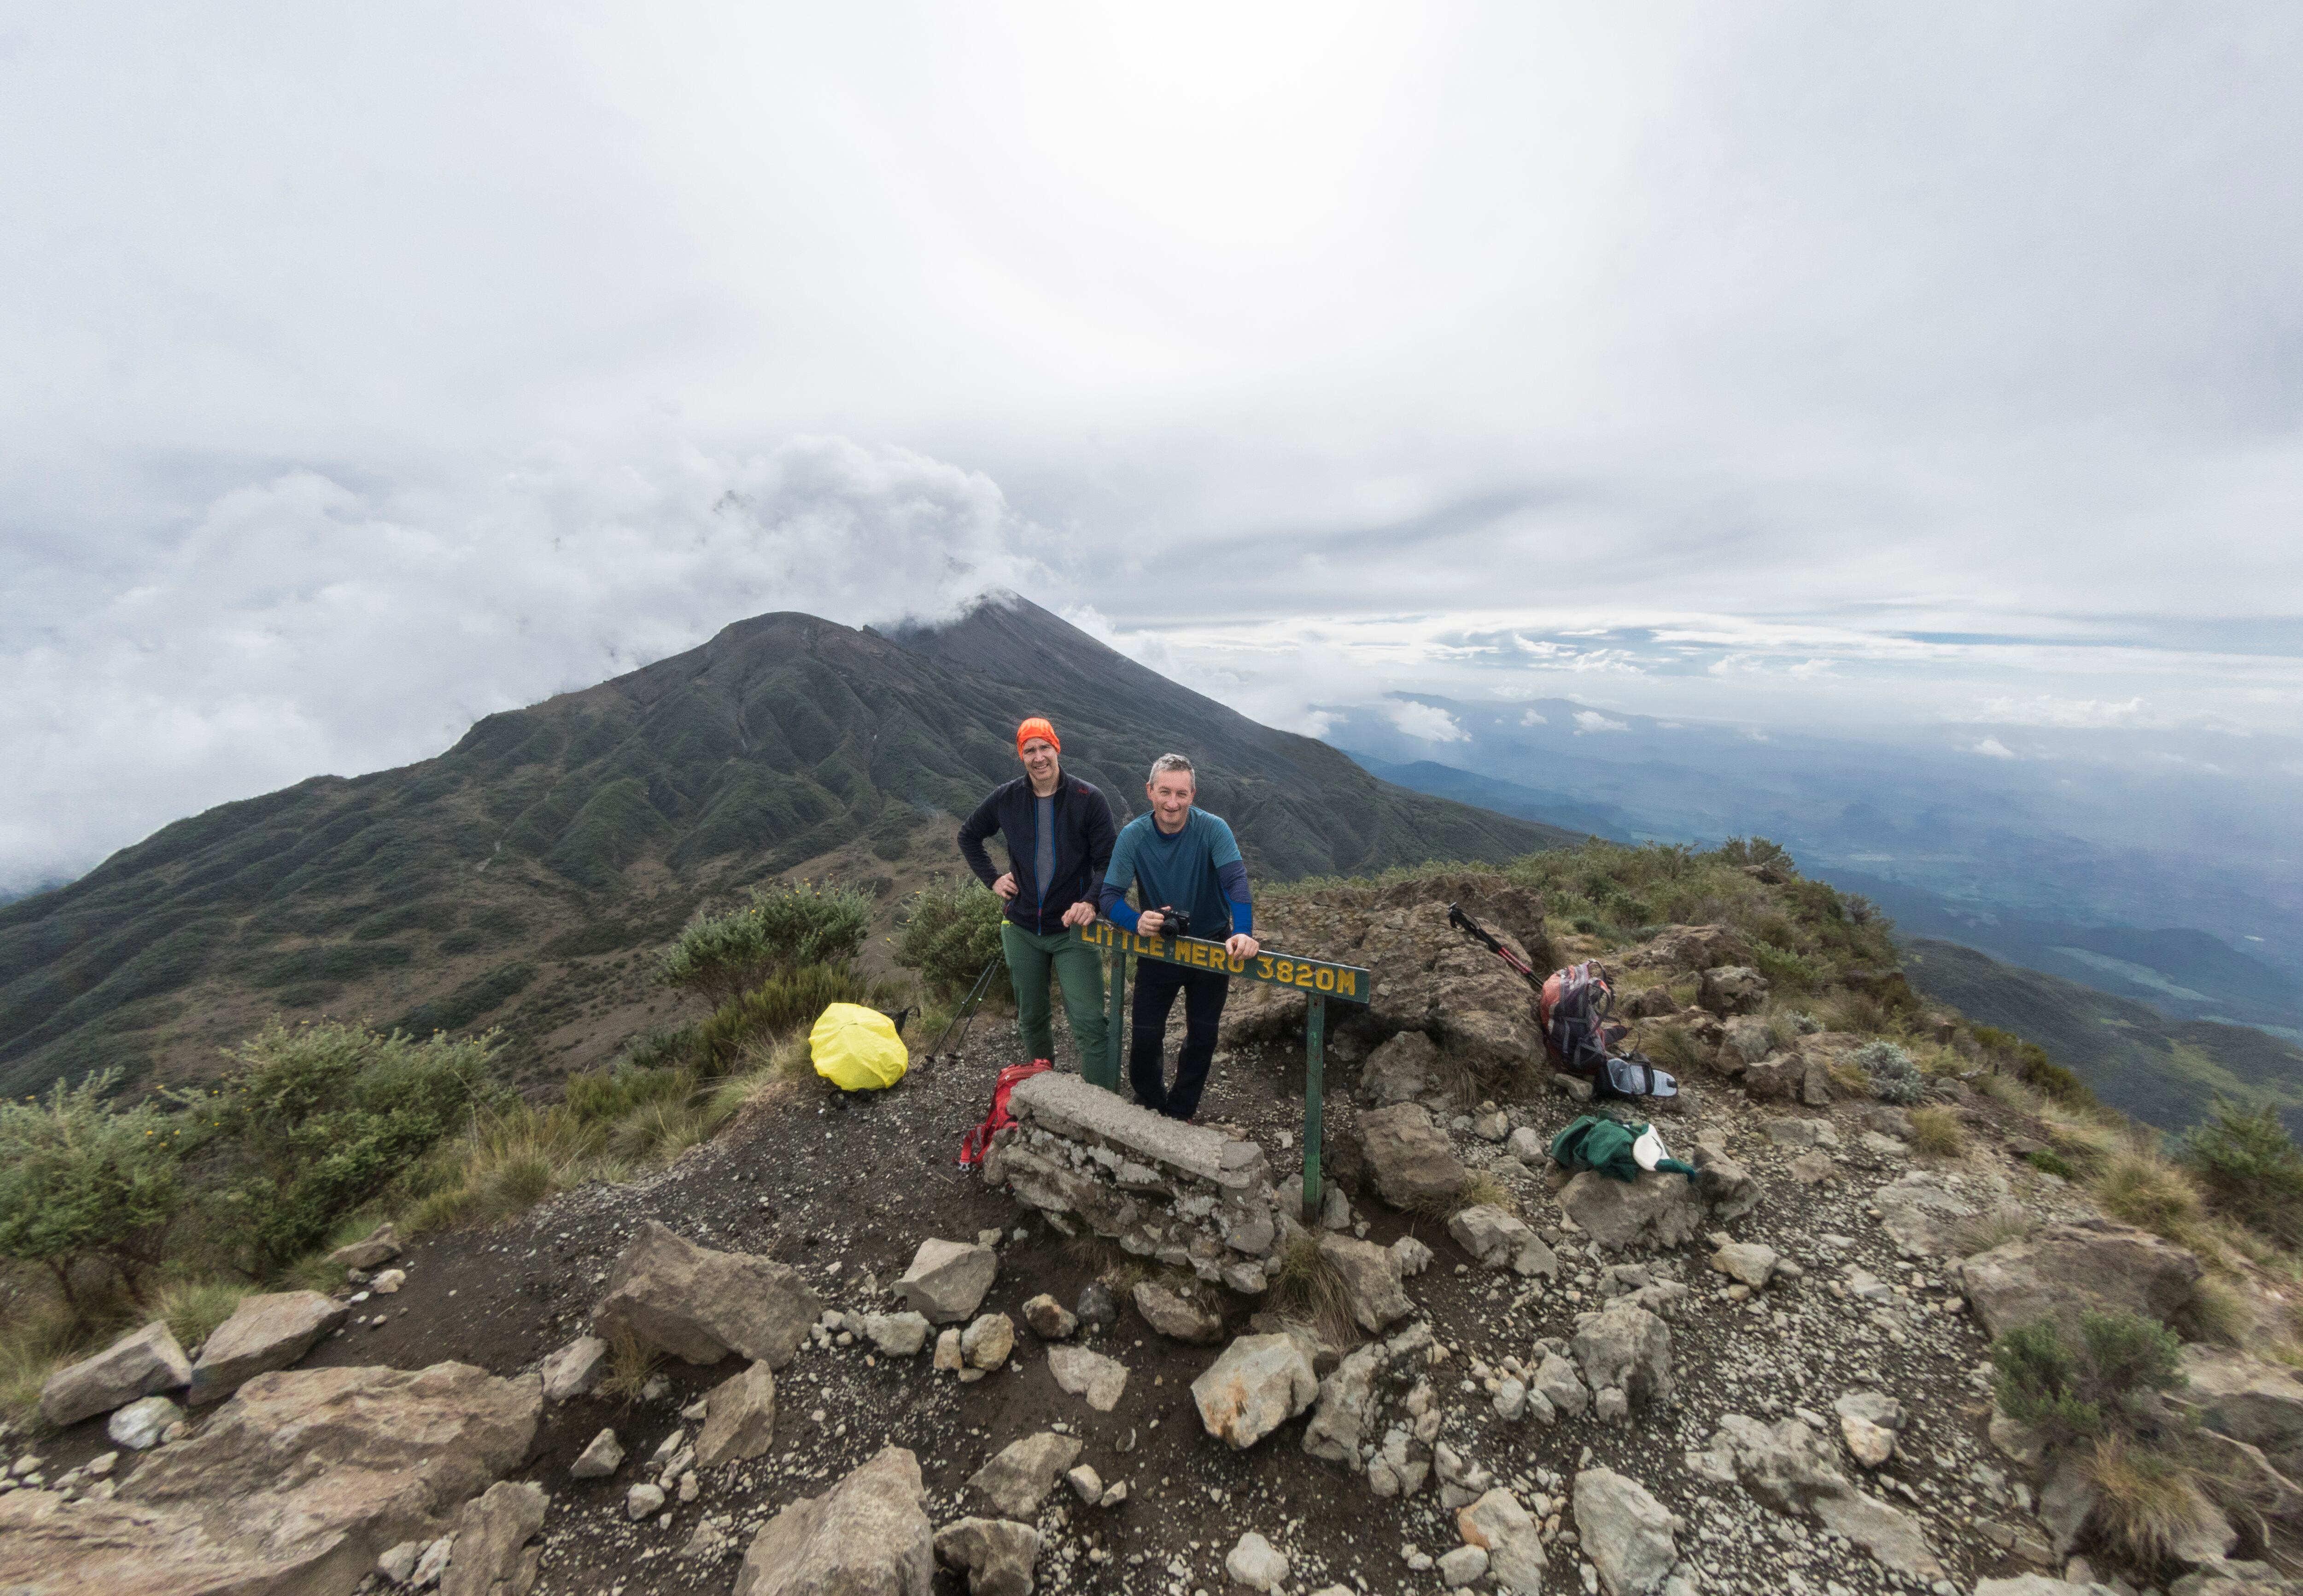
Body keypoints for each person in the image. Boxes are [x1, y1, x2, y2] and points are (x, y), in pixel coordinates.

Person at [1097, 752, 1259, 1120]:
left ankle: (1181, 1112)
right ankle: (1151, 1101)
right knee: (1145, 1036)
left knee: (1203, 1037)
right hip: (1159, 945)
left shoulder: (1213, 829)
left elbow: (1235, 880)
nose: (1173, 803)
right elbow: (1109, 896)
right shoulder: (1134, 836)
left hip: (1211, 945)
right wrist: (1136, 921)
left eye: (1182, 794)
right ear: (1149, 791)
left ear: (1193, 795)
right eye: (1165, 792)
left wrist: (1245, 932)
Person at [956, 716, 1116, 1069]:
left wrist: (1091, 901)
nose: (1039, 757)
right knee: (1032, 1020)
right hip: (1022, 928)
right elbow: (969, 835)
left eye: (1045, 747)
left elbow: (1109, 861)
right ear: (1021, 756)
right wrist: (993, 879)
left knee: (1089, 1022)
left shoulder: (1088, 798)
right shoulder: (1007, 797)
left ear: (1057, 748)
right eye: (1030, 750)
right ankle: (1041, 1093)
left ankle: (1101, 1109)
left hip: (1073, 930)